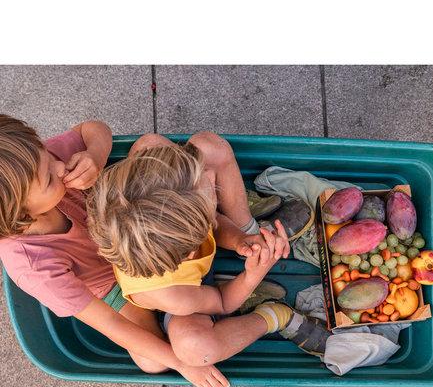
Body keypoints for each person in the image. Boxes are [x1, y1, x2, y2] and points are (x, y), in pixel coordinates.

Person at [0, 115, 236, 387]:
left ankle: (223, 220)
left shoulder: (38, 163)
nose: (61, 164)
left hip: (133, 221)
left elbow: (92, 128)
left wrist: (95, 156)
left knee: (151, 144)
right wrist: (182, 363)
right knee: (152, 362)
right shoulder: (33, 267)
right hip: (112, 283)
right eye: (51, 178)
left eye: (48, 154)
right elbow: (110, 324)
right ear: (21, 213)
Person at [87, 132, 331, 369]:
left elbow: (208, 221)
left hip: (178, 248)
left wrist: (243, 240)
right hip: (190, 292)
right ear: (193, 249)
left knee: (158, 144)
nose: (212, 174)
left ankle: (249, 227)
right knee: (195, 348)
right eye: (212, 189)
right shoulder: (172, 296)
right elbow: (223, 302)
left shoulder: (168, 220)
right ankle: (275, 315)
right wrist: (253, 275)